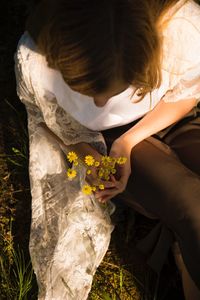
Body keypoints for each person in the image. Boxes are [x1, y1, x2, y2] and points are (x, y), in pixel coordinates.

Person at [14, 0, 200, 299]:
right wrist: (96, 154)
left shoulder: (179, 25)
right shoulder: (37, 58)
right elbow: (50, 121)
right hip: (107, 142)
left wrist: (131, 140)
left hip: (167, 121)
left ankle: (183, 248)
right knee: (192, 204)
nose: (100, 104)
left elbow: (186, 97)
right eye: (86, 94)